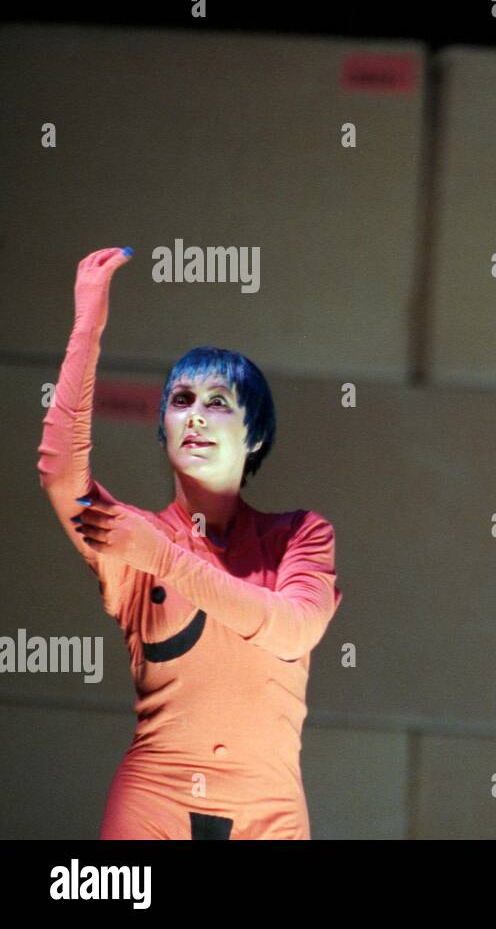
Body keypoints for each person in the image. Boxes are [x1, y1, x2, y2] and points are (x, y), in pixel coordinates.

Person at [37, 247, 342, 839]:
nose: (196, 417)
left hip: (270, 812)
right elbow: (58, 474)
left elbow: (294, 628)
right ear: (164, 430)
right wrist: (87, 328)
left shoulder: (298, 534)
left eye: (218, 403)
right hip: (153, 800)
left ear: (254, 437)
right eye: (181, 402)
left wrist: (162, 557)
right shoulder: (133, 539)